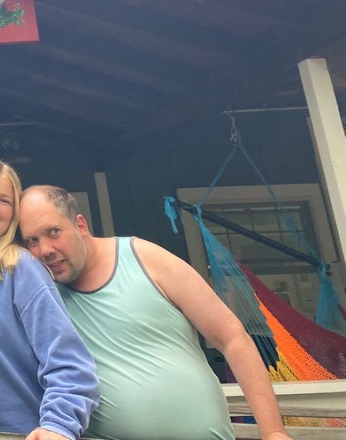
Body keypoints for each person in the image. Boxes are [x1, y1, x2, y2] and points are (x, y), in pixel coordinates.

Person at [19, 185, 293, 440]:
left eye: (53, 232)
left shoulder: (144, 258)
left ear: (80, 225)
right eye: (32, 240)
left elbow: (232, 338)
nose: (44, 250)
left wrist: (272, 433)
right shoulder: (43, 299)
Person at [0, 161, 98, 439]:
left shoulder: (21, 268)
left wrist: (58, 426)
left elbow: (71, 364)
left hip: (24, 432)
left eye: (4, 201)